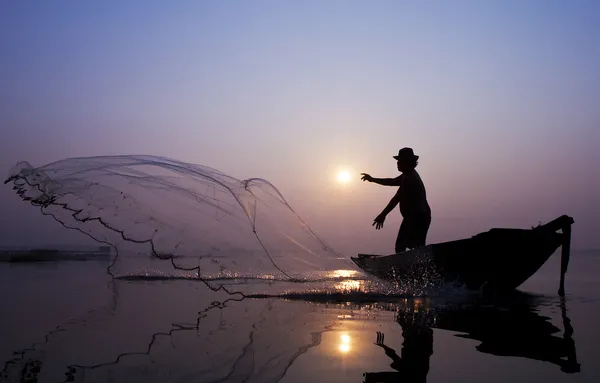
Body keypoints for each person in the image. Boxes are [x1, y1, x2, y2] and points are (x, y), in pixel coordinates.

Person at [361, 147, 431, 253]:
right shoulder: (408, 175)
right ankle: (417, 266)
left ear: (407, 163)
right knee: (416, 246)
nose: (397, 163)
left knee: (401, 246)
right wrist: (372, 179)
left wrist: (382, 215)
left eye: (400, 161)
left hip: (417, 217)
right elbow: (392, 181)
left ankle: (407, 267)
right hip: (420, 216)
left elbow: (396, 198)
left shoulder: (409, 178)